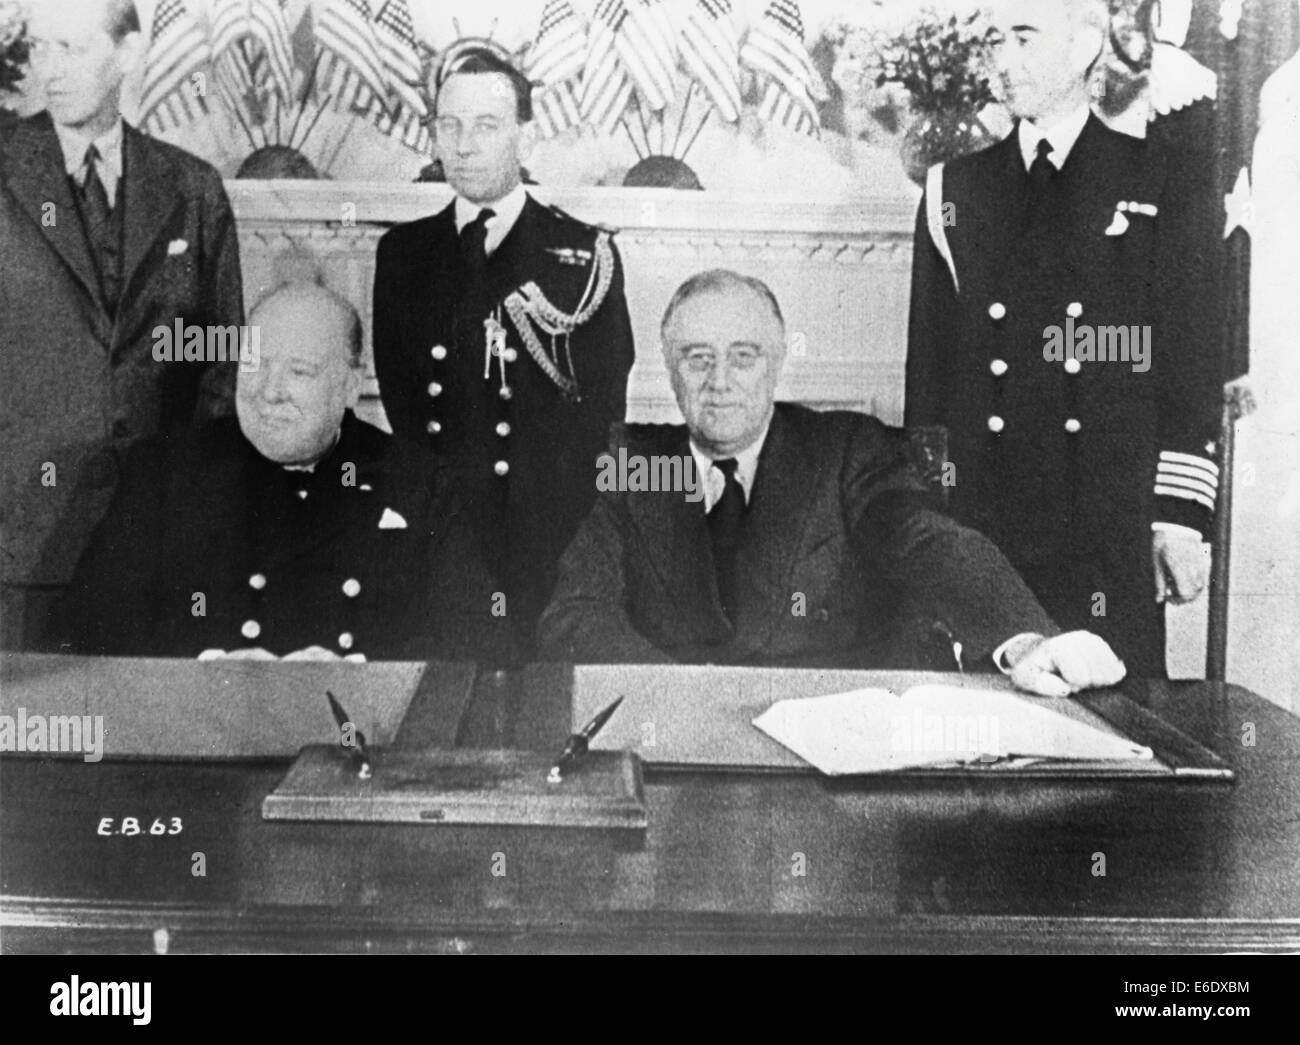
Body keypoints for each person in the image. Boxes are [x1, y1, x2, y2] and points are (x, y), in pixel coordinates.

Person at [539, 270, 1127, 698]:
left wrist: (1023, 640)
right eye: (697, 358)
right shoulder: (634, 464)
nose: (720, 381)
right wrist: (680, 697)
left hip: (829, 751)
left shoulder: (844, 450)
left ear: (777, 364)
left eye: (743, 357)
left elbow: (930, 543)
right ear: (670, 371)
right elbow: (574, 615)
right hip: (675, 739)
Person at [904, 0, 1223, 677]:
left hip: (1107, 521)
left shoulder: (1159, 176)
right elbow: (928, 383)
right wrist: (927, 526)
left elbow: (1190, 359)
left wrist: (1179, 517)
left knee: (1115, 719)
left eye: (1024, 38)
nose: (1003, 60)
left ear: (1084, 47)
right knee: (986, 718)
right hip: (986, 526)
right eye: (994, 41)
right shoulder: (952, 189)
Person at [52, 281, 513, 664]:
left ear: (351, 385)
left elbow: (484, 636)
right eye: (254, 363)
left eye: (300, 372)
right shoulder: (165, 473)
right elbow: (84, 631)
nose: (270, 392)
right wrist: (204, 670)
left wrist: (354, 673)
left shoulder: (416, 483)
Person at [0, 0, 244, 650]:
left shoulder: (192, 190)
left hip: (153, 546)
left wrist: (190, 509)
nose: (50, 70)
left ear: (128, 54)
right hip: (20, 545)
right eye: (41, 48)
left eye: (72, 48)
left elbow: (219, 364)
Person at [372, 47, 635, 648]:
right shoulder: (404, 255)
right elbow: (406, 408)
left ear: (525, 136)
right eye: (449, 126)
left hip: (552, 525)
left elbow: (603, 412)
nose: (463, 146)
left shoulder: (583, 255)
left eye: (486, 126)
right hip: (444, 532)